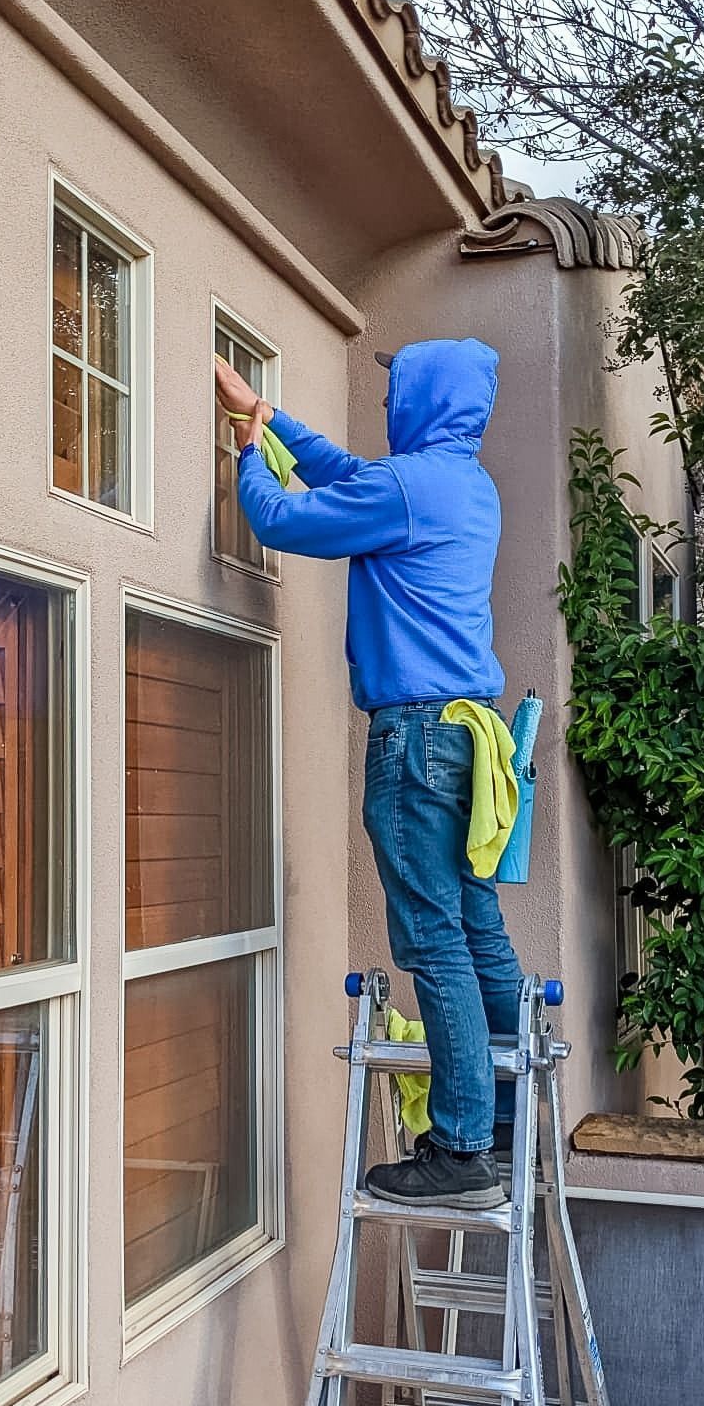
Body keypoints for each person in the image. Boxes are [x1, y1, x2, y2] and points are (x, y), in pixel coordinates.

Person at [214, 338, 523, 1210]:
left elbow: (283, 522)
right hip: (468, 739)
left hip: (417, 741)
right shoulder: (462, 483)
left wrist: (246, 453)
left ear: (422, 399)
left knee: (432, 943)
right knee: (475, 926)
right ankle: (498, 1125)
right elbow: (352, 472)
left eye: (398, 390)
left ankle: (458, 1147)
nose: (388, 403)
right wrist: (272, 418)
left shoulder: (407, 488)